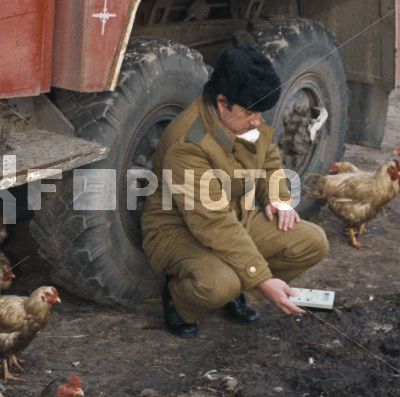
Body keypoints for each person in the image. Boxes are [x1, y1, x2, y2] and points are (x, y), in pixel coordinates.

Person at [140, 45, 329, 337]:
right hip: (180, 228)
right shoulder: (188, 144)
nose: (257, 121)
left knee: (312, 242)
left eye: (260, 112)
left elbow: (268, 159)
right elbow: (211, 220)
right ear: (221, 102)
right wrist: (263, 279)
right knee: (218, 285)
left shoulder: (243, 115)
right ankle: (179, 299)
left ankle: (239, 291)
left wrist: (276, 196)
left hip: (234, 214)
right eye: (251, 113)